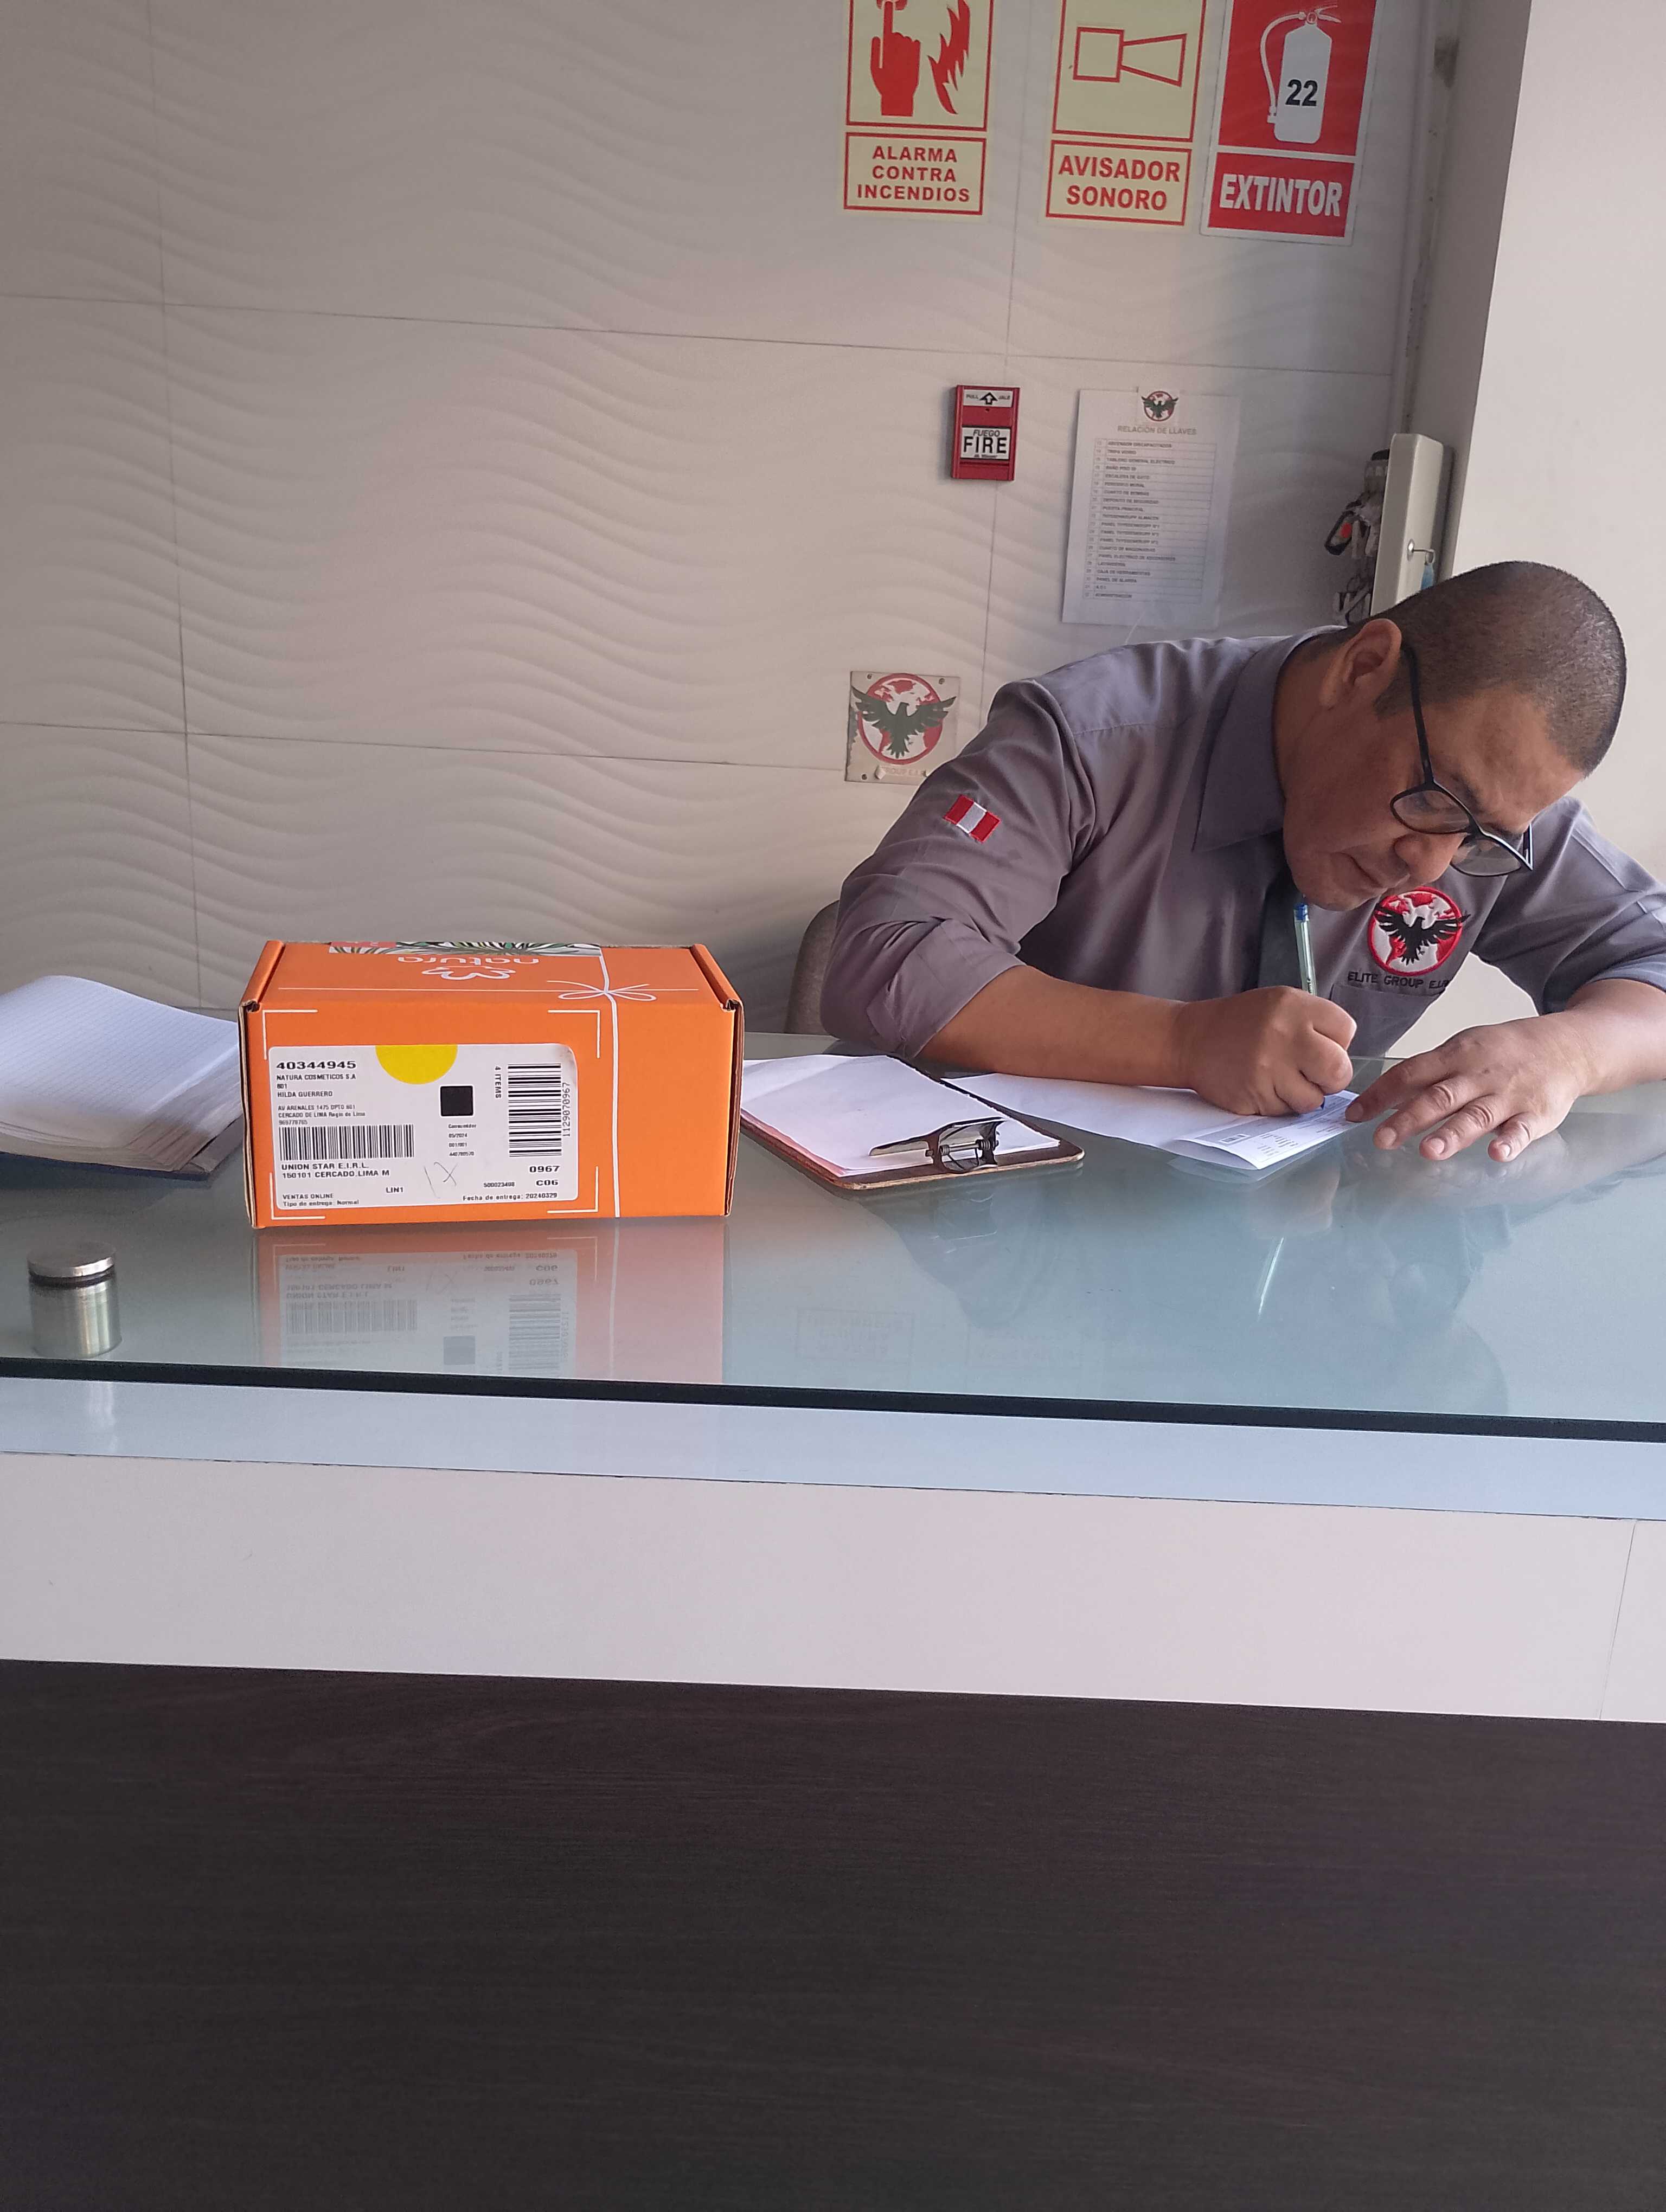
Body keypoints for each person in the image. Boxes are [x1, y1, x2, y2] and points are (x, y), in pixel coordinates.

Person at [821, 563, 1666, 1163]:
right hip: (1027, 1203)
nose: (1429, 864)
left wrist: (1569, 1054)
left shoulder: (1489, 821)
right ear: (1363, 669)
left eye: (1479, 837)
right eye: (1434, 797)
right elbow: (885, 955)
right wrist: (1182, 1042)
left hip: (1302, 1246)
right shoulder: (1092, 738)